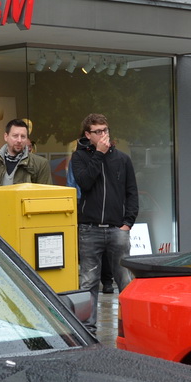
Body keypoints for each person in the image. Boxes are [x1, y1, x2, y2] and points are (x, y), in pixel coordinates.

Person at [69, 113, 138, 294]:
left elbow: (132, 192)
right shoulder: (79, 157)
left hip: (117, 228)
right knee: (88, 282)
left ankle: (129, 322)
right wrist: (99, 154)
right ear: (87, 135)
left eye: (105, 130)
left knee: (125, 280)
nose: (103, 135)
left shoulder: (122, 159)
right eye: (97, 131)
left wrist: (127, 223)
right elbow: (85, 182)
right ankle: (87, 324)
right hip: (90, 229)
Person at [0, 119, 51, 190]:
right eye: (15, 136)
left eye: (23, 136)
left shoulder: (41, 164)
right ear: (6, 137)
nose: (19, 140)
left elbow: (45, 199)